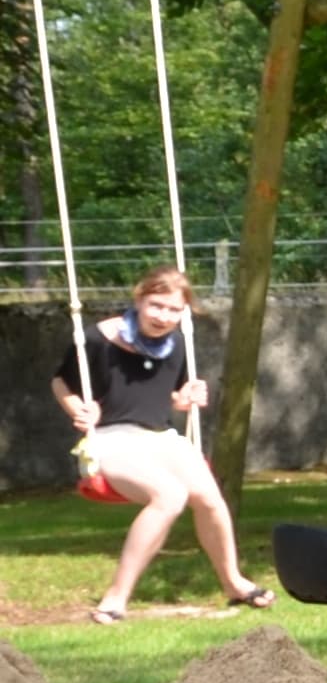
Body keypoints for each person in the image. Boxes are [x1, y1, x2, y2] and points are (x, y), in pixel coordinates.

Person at [45, 267, 272, 623]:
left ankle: (234, 583)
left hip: (160, 437)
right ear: (139, 299)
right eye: (156, 306)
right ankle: (116, 598)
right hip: (111, 438)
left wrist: (185, 399)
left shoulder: (178, 342)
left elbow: (169, 396)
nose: (163, 316)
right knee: (169, 496)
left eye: (173, 309)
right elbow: (61, 383)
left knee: (210, 499)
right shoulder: (98, 338)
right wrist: (80, 411)